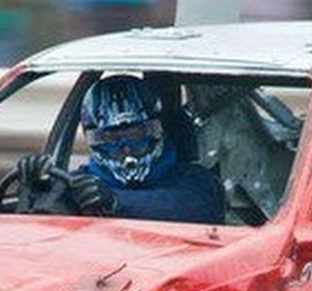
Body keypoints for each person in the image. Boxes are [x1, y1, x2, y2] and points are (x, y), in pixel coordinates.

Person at [65, 75, 225, 224]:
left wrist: (117, 201)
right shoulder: (76, 186)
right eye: (111, 139)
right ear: (94, 141)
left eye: (135, 135)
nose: (126, 148)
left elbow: (194, 208)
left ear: (156, 131)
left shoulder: (196, 180)